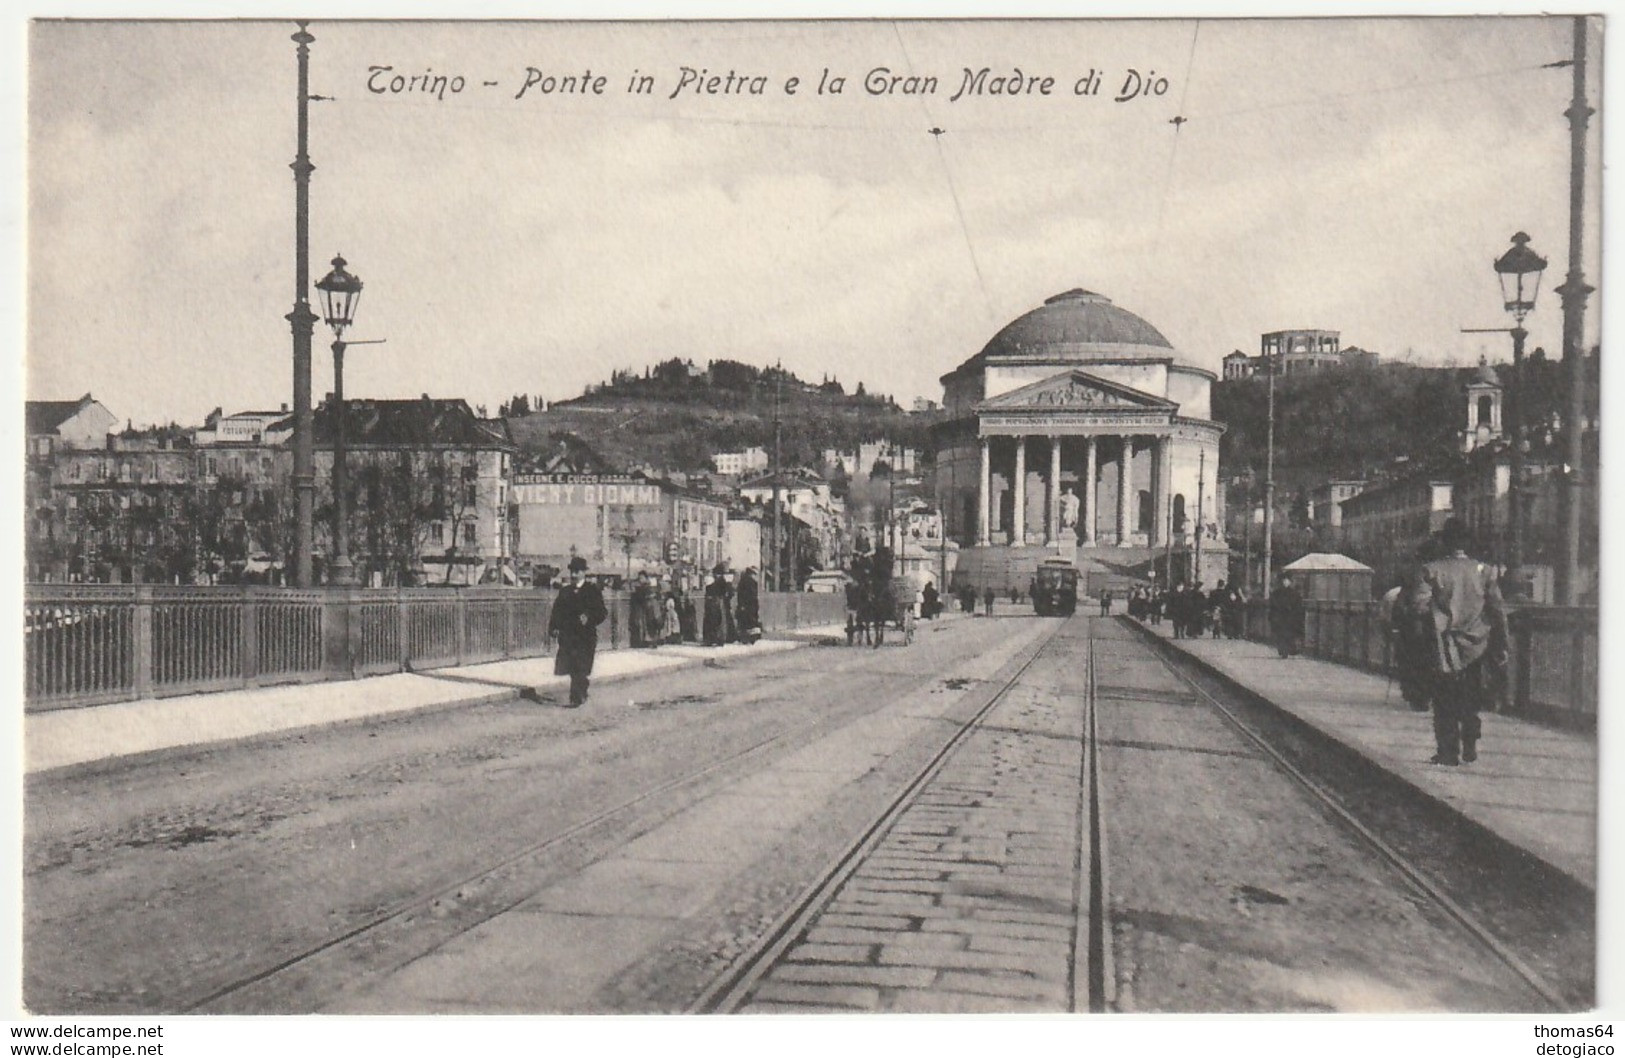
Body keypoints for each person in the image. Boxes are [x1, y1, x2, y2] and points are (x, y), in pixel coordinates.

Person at [1416, 518, 1508, 766]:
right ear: (1467, 543)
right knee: (1471, 697)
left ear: (1445, 543)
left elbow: (1420, 606)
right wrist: (1502, 644)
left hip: (1443, 645)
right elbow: (1498, 610)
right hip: (1478, 644)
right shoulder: (1485, 571)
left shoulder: (1431, 570)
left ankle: (1448, 752)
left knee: (1444, 698)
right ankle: (1470, 744)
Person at [547, 556, 607, 707]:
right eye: (572, 571)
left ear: (583, 573)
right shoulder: (565, 592)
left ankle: (579, 692)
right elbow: (557, 611)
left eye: (577, 572)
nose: (574, 575)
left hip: (586, 636)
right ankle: (576, 696)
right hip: (568, 636)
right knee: (573, 666)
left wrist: (590, 618)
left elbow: (602, 612)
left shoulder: (592, 591)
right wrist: (553, 627)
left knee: (582, 666)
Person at [1269, 573, 1304, 658]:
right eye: (1284, 581)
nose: (1285, 582)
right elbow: (1273, 604)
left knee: (1288, 634)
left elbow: (1298, 606)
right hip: (1280, 617)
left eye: (1287, 581)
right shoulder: (1276, 593)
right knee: (1281, 634)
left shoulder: (1295, 593)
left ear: (1290, 582)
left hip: (1290, 617)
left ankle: (1288, 650)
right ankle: (1283, 650)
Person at [703, 565, 737, 646]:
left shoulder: (717, 582)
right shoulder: (723, 581)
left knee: (715, 622)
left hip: (716, 604)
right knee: (720, 622)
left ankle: (714, 639)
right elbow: (731, 592)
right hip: (720, 604)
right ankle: (720, 638)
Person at [735, 566, 761, 644]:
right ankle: (751, 638)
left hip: (745, 606)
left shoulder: (743, 581)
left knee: (745, 623)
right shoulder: (751, 582)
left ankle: (745, 638)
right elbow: (752, 596)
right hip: (750, 606)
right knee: (750, 622)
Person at [628, 571, 654, 648]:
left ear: (646, 578)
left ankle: (644, 641)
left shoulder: (646, 587)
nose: (640, 580)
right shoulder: (644, 587)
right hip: (644, 609)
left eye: (642, 578)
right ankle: (644, 641)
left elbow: (642, 598)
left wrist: (635, 593)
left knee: (643, 625)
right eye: (639, 578)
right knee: (642, 625)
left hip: (645, 609)